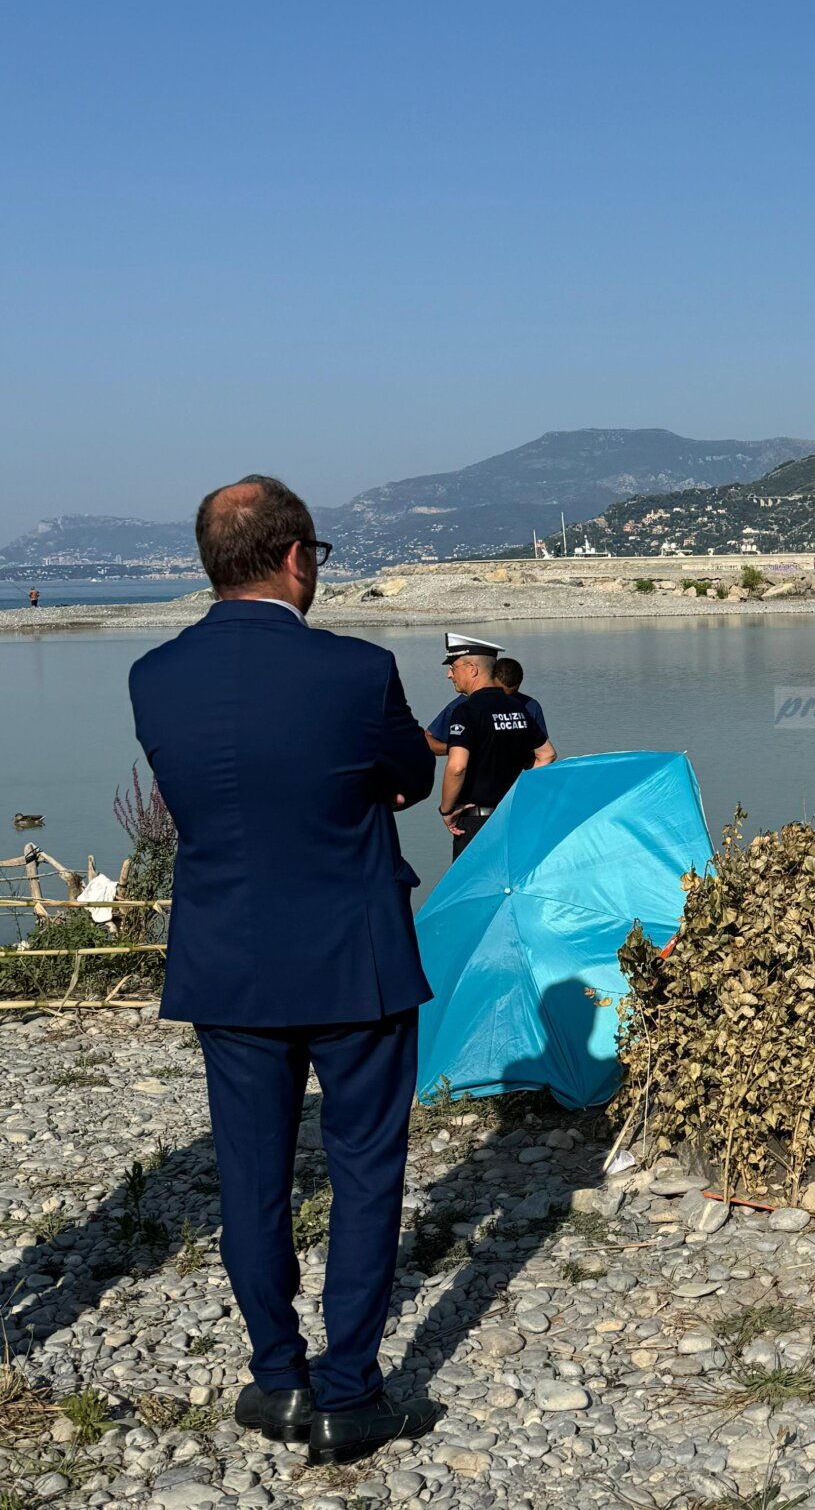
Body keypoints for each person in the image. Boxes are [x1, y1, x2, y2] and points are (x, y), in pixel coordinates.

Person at [127, 474, 437, 1465]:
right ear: (298, 558)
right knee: (364, 1171)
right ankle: (350, 1392)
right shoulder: (358, 670)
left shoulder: (154, 676)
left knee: (252, 1179)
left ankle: (278, 1379)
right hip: (356, 958)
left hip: (230, 962)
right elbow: (413, 777)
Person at [439, 638, 556, 858]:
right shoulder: (519, 708)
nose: (449, 675)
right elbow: (546, 755)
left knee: (472, 889)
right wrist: (519, 796)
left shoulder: (466, 711)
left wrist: (446, 810)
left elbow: (457, 767)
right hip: (513, 817)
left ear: (472, 669)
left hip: (475, 822)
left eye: (453, 668)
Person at [423, 642, 549, 756]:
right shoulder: (462, 706)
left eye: (510, 695)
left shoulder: (530, 706)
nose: (449, 675)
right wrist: (458, 748)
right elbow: (428, 739)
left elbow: (543, 753)